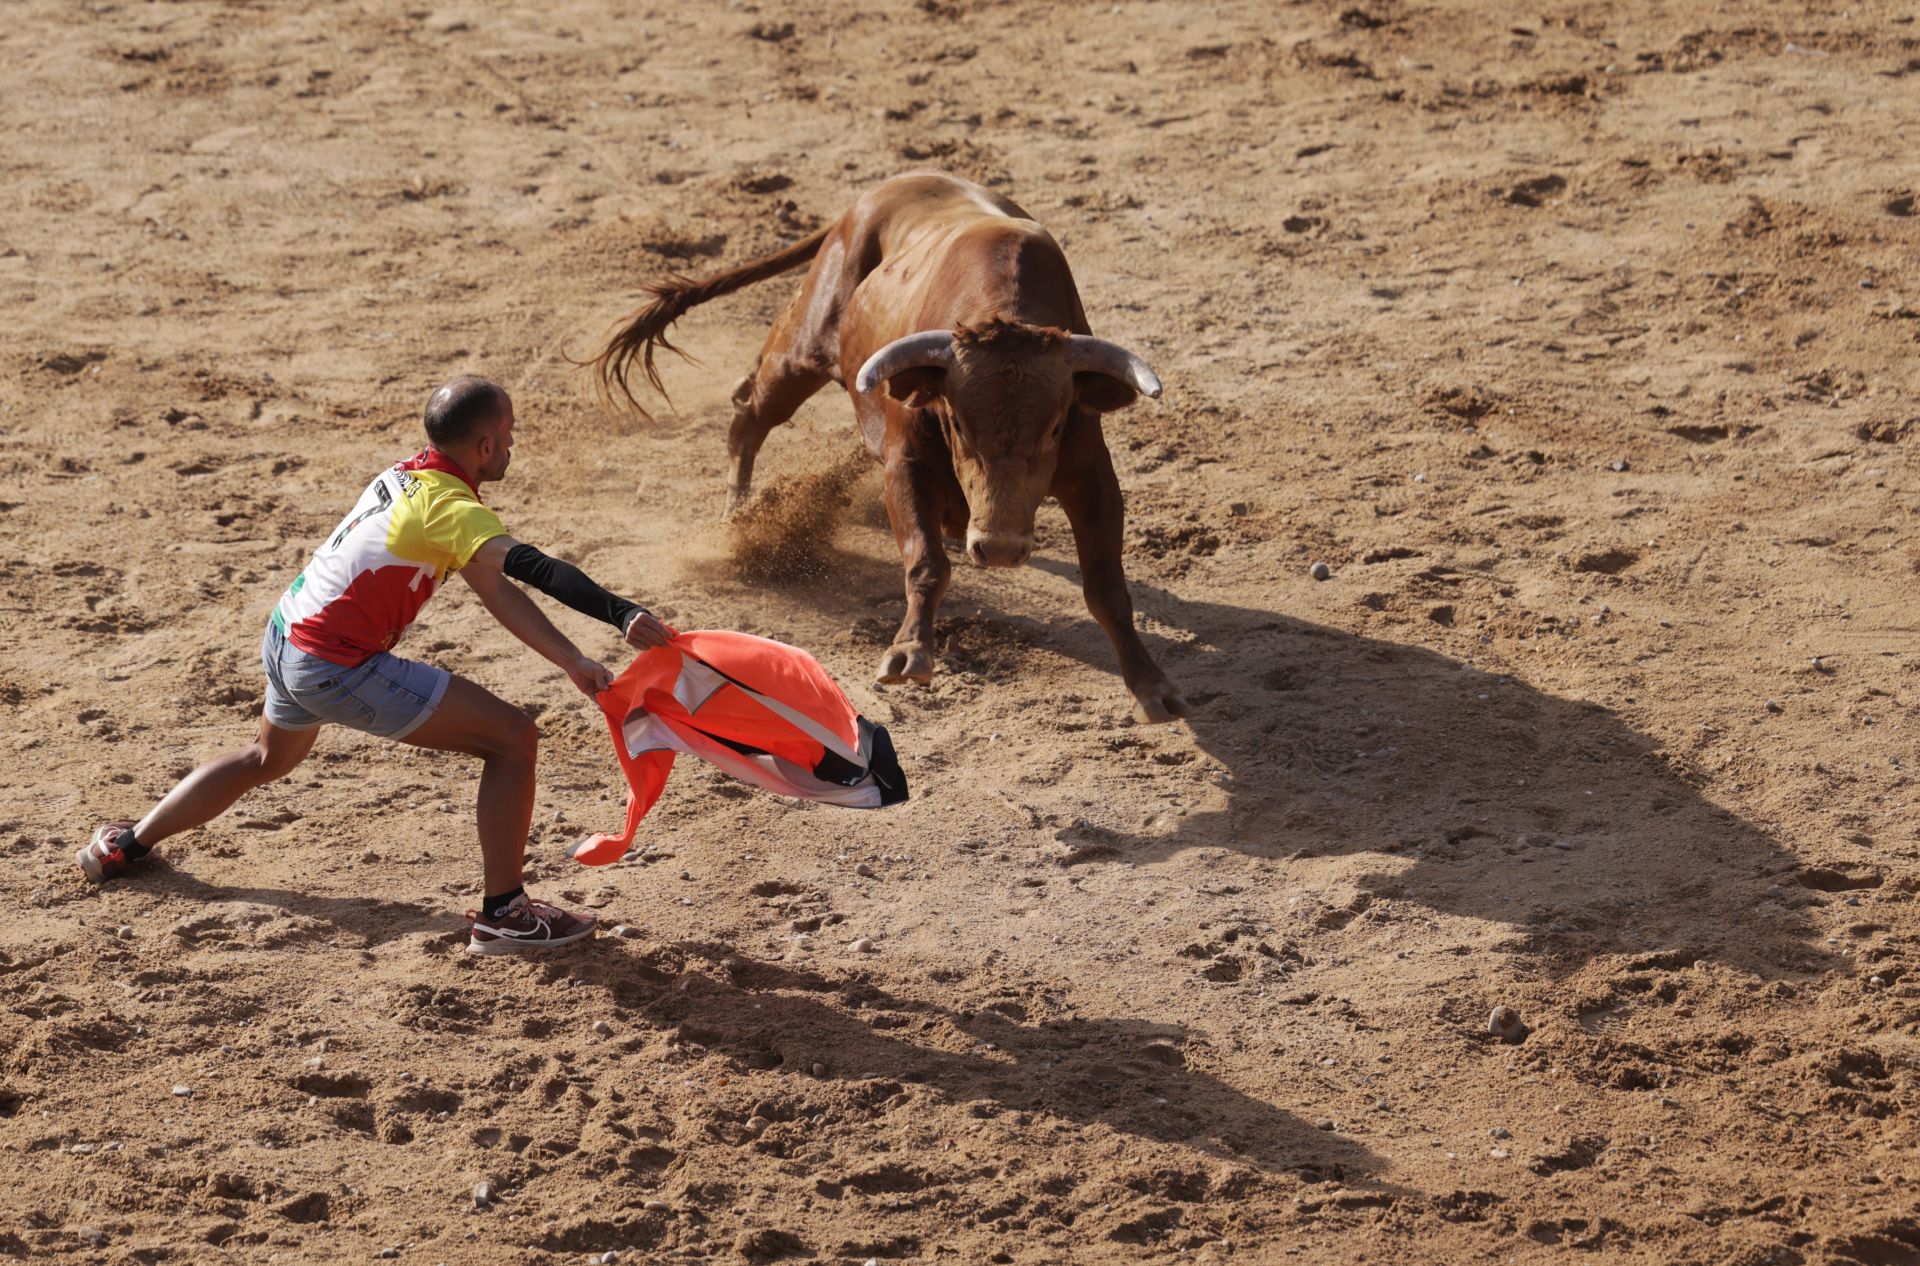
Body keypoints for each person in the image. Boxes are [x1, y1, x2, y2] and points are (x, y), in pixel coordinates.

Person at [78, 376, 675, 954]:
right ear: (486, 445)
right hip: (332, 664)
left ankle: (124, 846)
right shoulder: (452, 510)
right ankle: (505, 914)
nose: (514, 444)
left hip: (286, 635)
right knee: (513, 739)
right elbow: (538, 570)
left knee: (264, 759)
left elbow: (495, 589)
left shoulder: (410, 474)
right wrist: (621, 614)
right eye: (510, 433)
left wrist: (571, 660)